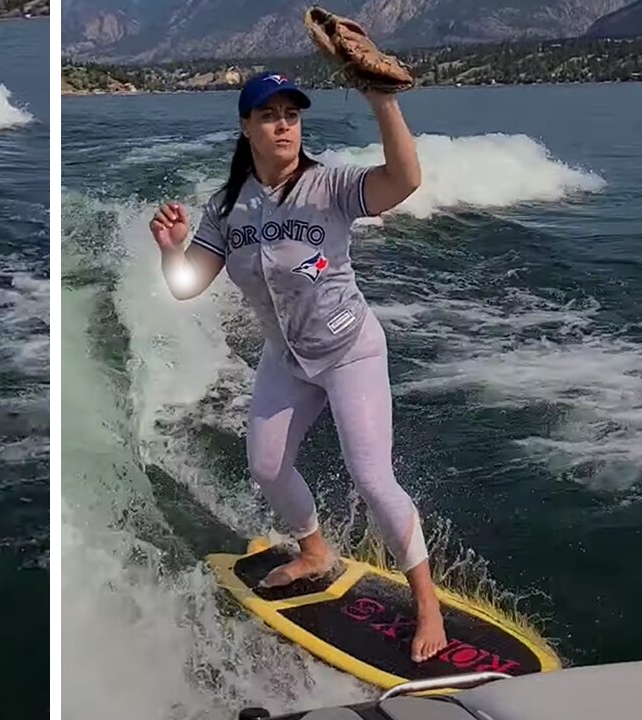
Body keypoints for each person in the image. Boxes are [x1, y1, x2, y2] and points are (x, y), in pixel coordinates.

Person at [149, 72, 446, 663]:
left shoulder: (328, 185)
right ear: (246, 128)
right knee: (265, 465)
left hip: (349, 351)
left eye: (291, 114)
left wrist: (381, 100)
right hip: (286, 358)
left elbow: (405, 180)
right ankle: (314, 552)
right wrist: (173, 251)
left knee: (370, 477)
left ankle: (428, 603)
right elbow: (188, 286)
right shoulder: (226, 209)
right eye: (268, 115)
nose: (283, 124)